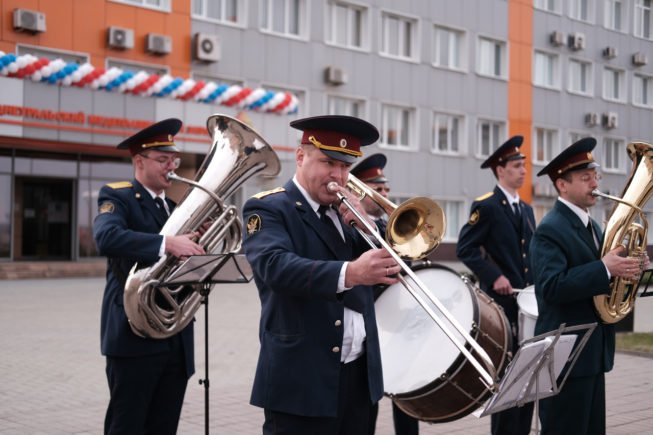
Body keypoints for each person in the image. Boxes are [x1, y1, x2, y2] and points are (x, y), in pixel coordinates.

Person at [242, 115, 401, 435]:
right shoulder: (269, 208)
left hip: (358, 379)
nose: (338, 176)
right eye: (328, 162)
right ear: (300, 157)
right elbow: (275, 266)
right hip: (301, 380)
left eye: (345, 166)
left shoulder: (349, 213)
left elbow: (397, 262)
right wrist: (351, 273)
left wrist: (368, 227)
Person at [93, 118, 205, 435]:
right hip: (134, 335)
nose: (171, 166)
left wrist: (200, 244)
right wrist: (168, 243)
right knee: (127, 425)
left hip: (176, 337)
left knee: (163, 426)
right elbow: (107, 238)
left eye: (175, 160)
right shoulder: (117, 196)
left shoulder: (173, 207)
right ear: (139, 161)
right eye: (163, 160)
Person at [530, 137, 645, 435]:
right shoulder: (549, 229)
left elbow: (601, 279)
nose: (595, 183)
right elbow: (551, 287)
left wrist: (630, 267)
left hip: (592, 353)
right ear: (562, 185)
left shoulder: (593, 226)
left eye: (595, 176)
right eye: (585, 178)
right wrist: (605, 267)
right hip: (565, 357)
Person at [456, 135, 535, 435]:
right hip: (499, 307)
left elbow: (530, 255)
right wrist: (494, 276)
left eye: (524, 165)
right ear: (500, 171)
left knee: (528, 377)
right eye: (516, 166)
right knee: (505, 379)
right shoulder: (486, 206)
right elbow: (465, 249)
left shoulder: (526, 209)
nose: (523, 171)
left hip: (525, 304)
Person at [351, 153, 419, 435]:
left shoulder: (387, 227)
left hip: (396, 319)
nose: (385, 195)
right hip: (369, 319)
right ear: (360, 192)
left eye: (386, 190)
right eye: (377, 190)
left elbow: (408, 265)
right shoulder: (352, 223)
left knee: (404, 391)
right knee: (368, 398)